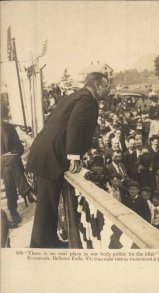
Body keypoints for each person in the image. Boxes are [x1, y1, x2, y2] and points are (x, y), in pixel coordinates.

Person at [26, 72, 109, 248]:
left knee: (49, 202)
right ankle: (38, 247)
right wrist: (74, 157)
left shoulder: (74, 96)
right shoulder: (87, 100)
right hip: (52, 155)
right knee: (46, 206)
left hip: (47, 152)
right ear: (96, 85)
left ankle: (49, 240)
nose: (107, 90)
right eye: (105, 86)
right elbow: (75, 126)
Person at [1, 101, 37, 224]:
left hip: (9, 165)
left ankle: (13, 210)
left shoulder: (10, 128)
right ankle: (27, 191)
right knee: (11, 162)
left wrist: (11, 154)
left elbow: (20, 149)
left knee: (8, 173)